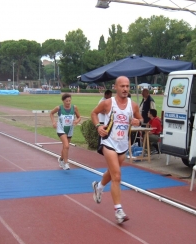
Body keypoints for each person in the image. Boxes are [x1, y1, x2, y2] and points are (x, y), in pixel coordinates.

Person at [91, 76, 143, 224]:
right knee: (117, 176)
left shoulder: (133, 106)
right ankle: (118, 210)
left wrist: (137, 121)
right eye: (122, 86)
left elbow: (141, 119)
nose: (125, 89)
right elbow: (93, 113)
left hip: (123, 145)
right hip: (108, 142)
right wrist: (98, 127)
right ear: (116, 87)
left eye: (127, 86)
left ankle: (98, 186)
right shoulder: (108, 103)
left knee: (113, 172)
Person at [50, 93, 81, 170]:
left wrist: (77, 121)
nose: (68, 102)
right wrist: (53, 122)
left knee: (65, 147)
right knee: (66, 145)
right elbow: (51, 113)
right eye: (66, 101)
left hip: (70, 129)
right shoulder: (59, 108)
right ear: (63, 101)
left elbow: (79, 117)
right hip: (61, 129)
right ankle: (66, 162)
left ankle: (61, 159)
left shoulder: (74, 108)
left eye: (69, 101)